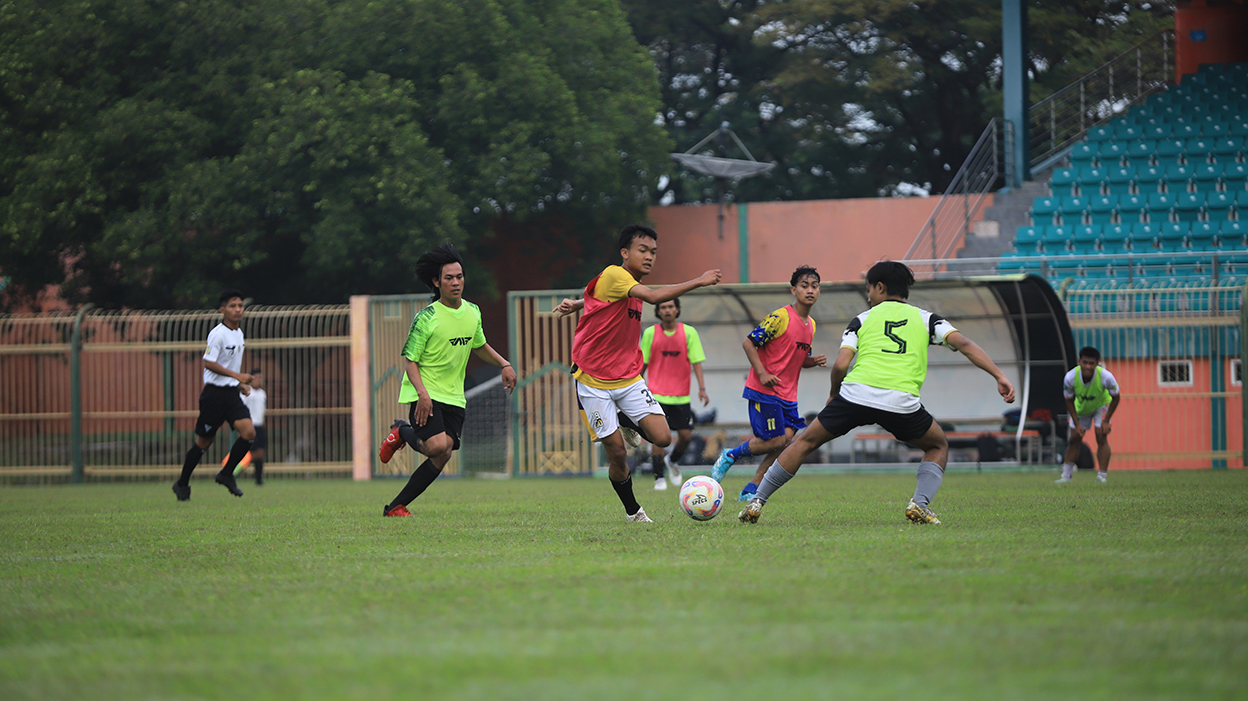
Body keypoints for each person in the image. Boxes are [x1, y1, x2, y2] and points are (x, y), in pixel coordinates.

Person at [738, 261, 1016, 525]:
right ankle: (919, 502)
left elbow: (841, 365)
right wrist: (999, 375)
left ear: (880, 287)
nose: (868, 294)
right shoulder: (927, 319)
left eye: (869, 288)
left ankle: (757, 501)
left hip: (855, 395)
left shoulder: (861, 320)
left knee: (803, 442)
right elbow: (964, 343)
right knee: (937, 445)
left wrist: (835, 395)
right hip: (901, 402)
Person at [555, 224, 721, 523]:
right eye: (642, 250)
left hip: (628, 377)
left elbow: (603, 299)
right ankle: (633, 511)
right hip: (592, 380)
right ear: (625, 253)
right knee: (617, 453)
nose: (649, 257)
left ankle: (622, 418)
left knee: (663, 437)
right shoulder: (616, 274)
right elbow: (655, 297)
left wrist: (579, 303)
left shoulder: (627, 285)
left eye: (653, 252)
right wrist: (700, 280)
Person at [377, 244, 516, 517]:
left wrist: (504, 363)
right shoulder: (426, 318)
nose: (456, 282)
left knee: (444, 453)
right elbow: (410, 361)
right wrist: (422, 394)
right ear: (436, 282)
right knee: (438, 445)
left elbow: (480, 345)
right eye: (449, 278)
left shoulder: (473, 312)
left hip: (454, 396)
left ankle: (395, 506)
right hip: (425, 393)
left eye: (460, 277)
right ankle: (401, 430)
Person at [711, 266, 827, 502]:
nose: (810, 290)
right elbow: (748, 343)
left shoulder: (811, 325)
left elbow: (797, 357)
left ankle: (752, 487)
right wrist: (762, 373)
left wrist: (811, 361)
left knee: (784, 442)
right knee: (775, 440)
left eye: (814, 286)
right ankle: (730, 455)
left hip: (788, 396)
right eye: (804, 286)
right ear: (793, 290)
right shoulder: (780, 317)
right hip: (765, 390)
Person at [172, 289, 256, 501]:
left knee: (248, 433)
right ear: (222, 310)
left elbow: (228, 365)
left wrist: (237, 384)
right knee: (203, 444)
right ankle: (182, 483)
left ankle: (226, 474)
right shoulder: (218, 333)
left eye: (240, 306)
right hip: (213, 396)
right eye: (232, 306)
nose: (238, 310)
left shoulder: (239, 333)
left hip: (230, 394)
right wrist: (237, 376)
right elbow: (209, 363)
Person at [640, 297, 709, 491]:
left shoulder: (689, 332)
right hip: (655, 396)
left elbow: (696, 362)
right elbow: (642, 364)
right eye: (663, 307)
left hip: (681, 396)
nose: (667, 310)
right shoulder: (650, 333)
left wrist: (702, 389)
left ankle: (672, 460)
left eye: (671, 306)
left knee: (686, 437)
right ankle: (659, 479)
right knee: (658, 438)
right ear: (658, 311)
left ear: (677, 309)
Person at [1057, 346, 1120, 484]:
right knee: (1074, 438)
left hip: (1101, 405)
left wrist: (1106, 421)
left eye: (1091, 363)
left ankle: (1102, 476)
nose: (1088, 366)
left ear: (1097, 363)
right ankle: (1066, 476)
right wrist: (1077, 423)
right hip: (1081, 409)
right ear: (1079, 361)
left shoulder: (1106, 377)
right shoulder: (1070, 377)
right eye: (1085, 362)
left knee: (1101, 435)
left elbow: (1116, 397)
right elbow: (1069, 400)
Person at [233, 368, 268, 485]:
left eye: (260, 378)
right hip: (249, 427)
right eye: (256, 378)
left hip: (259, 426)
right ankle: (231, 472)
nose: (259, 380)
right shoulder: (246, 393)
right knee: (249, 454)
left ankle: (258, 479)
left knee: (260, 454)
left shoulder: (263, 393)